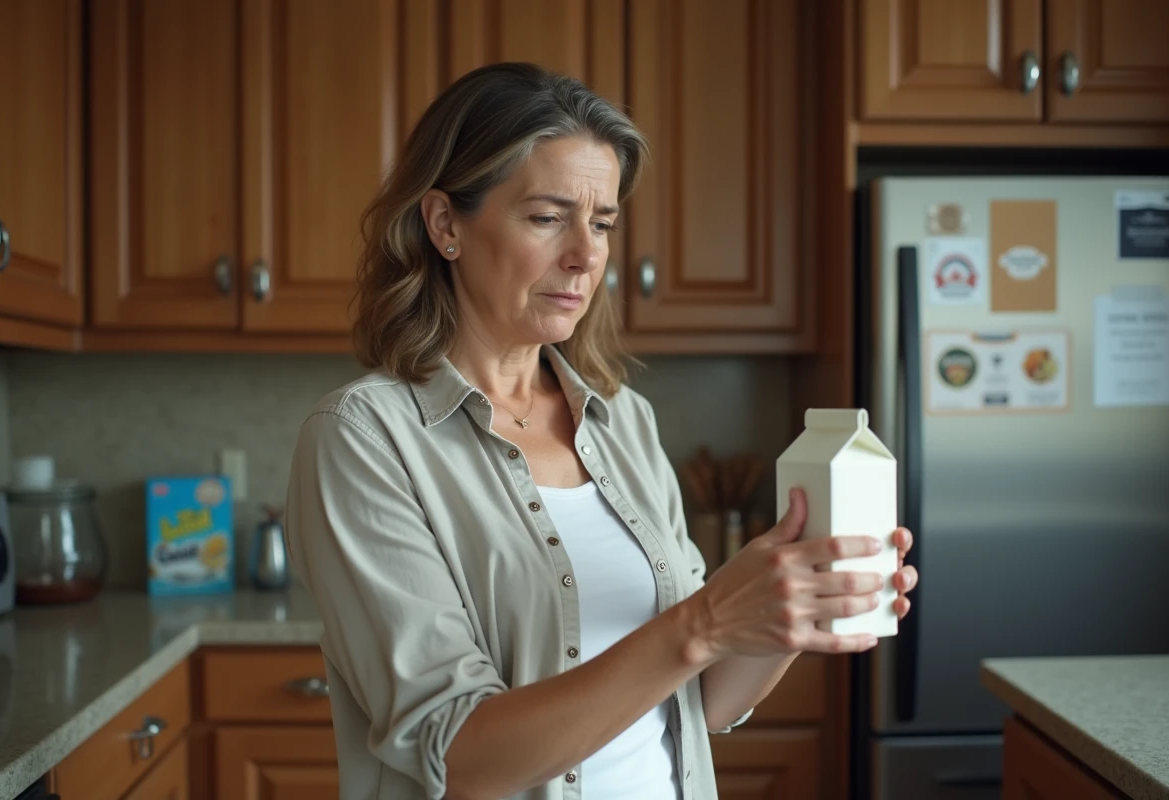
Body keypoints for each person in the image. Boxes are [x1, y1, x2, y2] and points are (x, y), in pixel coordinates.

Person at [284, 62, 918, 800]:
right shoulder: (364, 438)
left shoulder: (624, 423)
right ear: (445, 224)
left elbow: (703, 703)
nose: (587, 256)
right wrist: (705, 621)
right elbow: (457, 757)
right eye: (548, 218)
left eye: (604, 223)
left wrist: (782, 611)